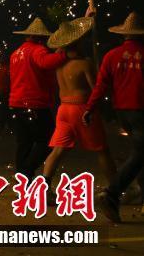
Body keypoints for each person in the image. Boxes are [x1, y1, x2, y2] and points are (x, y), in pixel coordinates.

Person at [42, 17, 116, 192]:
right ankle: (116, 189)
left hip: (63, 109)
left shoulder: (58, 63)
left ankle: (44, 188)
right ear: (78, 42)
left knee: (58, 150)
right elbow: (96, 88)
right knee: (102, 150)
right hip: (82, 109)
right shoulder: (84, 64)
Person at [85, 12, 144, 223]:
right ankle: (111, 193)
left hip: (123, 113)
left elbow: (101, 86)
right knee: (140, 153)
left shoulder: (111, 56)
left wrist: (90, 108)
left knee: (140, 153)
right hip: (141, 111)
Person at [8, 17, 64, 177]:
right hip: (34, 103)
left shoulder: (16, 53)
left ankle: (22, 176)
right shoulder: (38, 50)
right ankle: (26, 171)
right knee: (47, 140)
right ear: (41, 38)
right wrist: (64, 54)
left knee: (24, 142)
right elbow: (46, 63)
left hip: (17, 102)